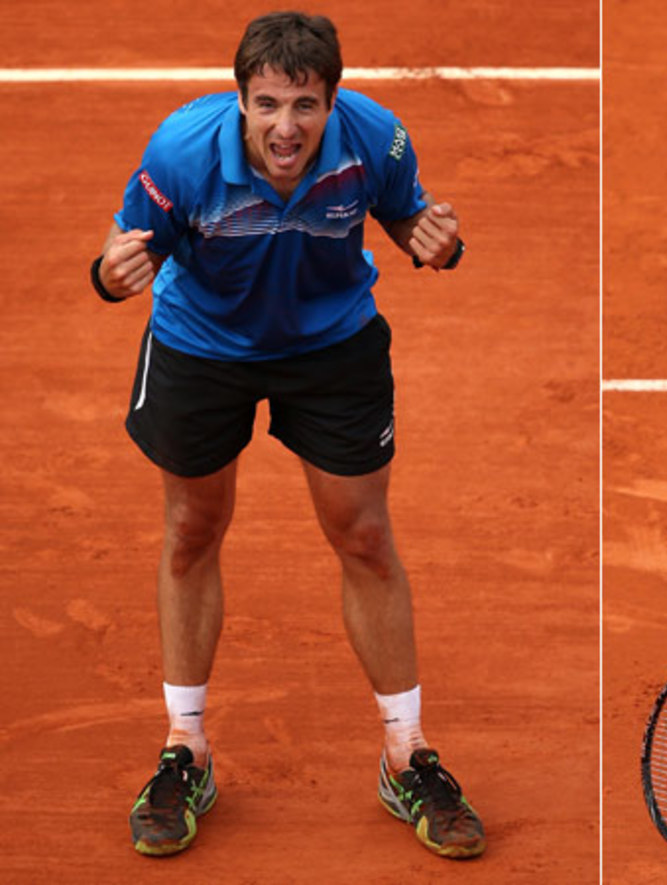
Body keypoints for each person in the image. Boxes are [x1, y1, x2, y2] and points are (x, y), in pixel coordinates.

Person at [94, 11, 483, 860]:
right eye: (267, 103)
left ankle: (406, 752)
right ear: (240, 99)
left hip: (330, 341)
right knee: (193, 528)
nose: (285, 126)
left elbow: (408, 216)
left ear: (332, 101)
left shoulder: (375, 139)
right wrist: (109, 273)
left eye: (304, 104)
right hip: (203, 344)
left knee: (365, 534)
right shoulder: (181, 153)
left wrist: (437, 243)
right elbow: (129, 246)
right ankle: (186, 747)